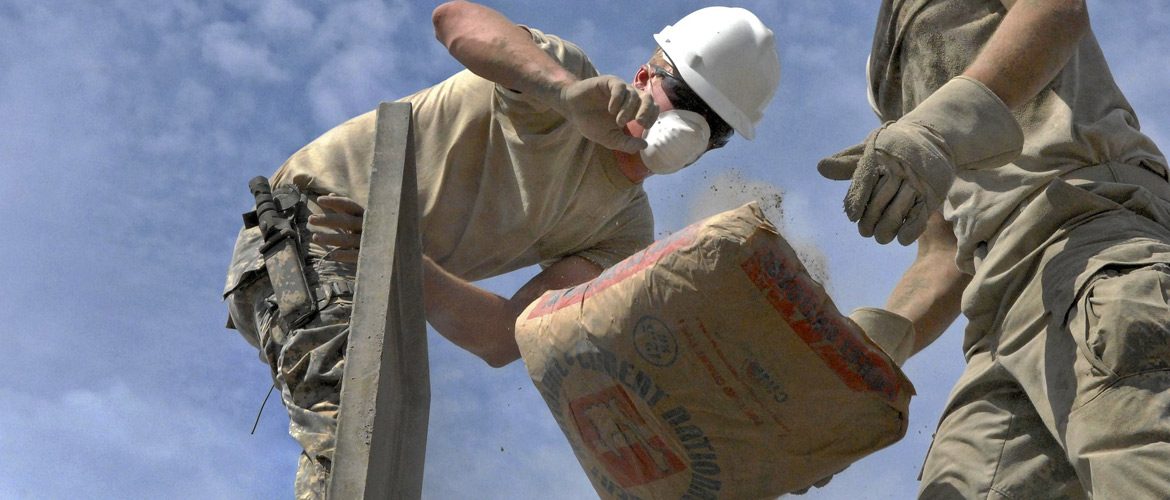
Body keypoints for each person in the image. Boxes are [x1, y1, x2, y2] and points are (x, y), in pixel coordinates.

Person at [221, 2, 780, 497]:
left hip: (379, 277)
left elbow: (499, 337)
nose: (690, 126)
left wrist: (402, 259)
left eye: (714, 126)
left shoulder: (623, 232)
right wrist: (560, 91)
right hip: (309, 228)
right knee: (353, 433)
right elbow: (454, 19)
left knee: (387, 454)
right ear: (644, 74)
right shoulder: (561, 85)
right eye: (683, 98)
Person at [817, 0, 1170, 497]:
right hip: (999, 312)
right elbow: (943, 253)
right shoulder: (888, 57)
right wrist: (868, 357)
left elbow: (1058, 11)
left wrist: (936, 127)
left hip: (1088, 241)